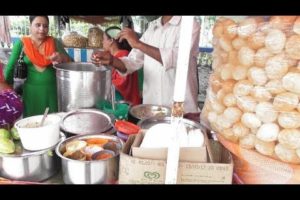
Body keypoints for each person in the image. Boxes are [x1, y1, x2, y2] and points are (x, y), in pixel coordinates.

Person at [92, 16, 200, 113]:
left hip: (181, 110)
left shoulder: (189, 24)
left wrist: (138, 44)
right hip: (152, 109)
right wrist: (112, 60)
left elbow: (176, 57)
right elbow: (132, 61)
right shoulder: (153, 27)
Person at [4, 16, 72, 117]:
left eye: (45, 26)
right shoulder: (22, 44)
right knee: (31, 124)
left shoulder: (54, 42)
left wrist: (61, 57)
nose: (42, 29)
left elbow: (70, 63)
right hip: (32, 93)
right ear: (30, 26)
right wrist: (7, 90)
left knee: (53, 122)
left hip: (52, 92)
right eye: (38, 25)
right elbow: (10, 68)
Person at [102, 26, 141, 106]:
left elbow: (120, 83)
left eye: (103, 39)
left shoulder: (124, 56)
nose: (102, 42)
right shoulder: (114, 56)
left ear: (111, 40)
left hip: (129, 105)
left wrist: (102, 84)